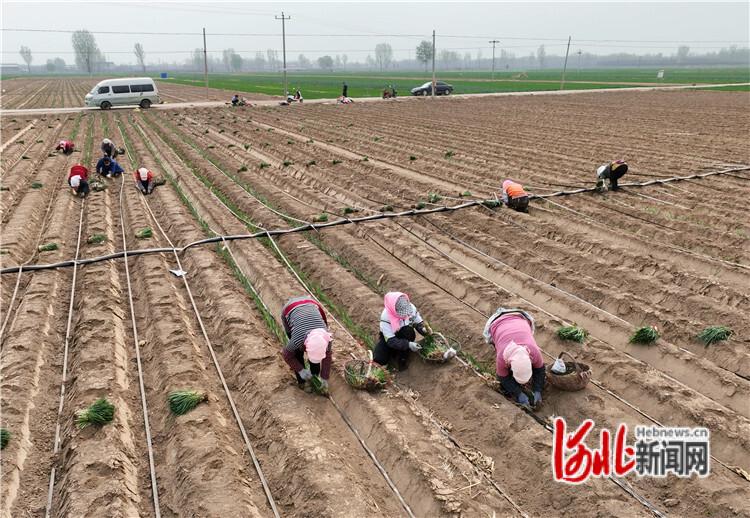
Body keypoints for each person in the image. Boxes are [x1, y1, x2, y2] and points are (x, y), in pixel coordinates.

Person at [483, 308, 546, 408]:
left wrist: (538, 390)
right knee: (497, 346)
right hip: (495, 323)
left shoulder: (534, 351)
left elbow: (540, 370)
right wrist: (518, 394)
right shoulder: (502, 357)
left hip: (520, 317)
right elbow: (503, 378)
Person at [281, 296, 333, 394]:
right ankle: (302, 382)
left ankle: (314, 377)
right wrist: (300, 370)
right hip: (289, 308)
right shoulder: (298, 338)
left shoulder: (327, 338)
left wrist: (325, 377)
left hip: (312, 304)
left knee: (316, 358)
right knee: (297, 353)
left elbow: (327, 356)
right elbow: (286, 354)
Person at [374, 292, 434, 370]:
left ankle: (401, 358)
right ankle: (393, 354)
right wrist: (408, 344)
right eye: (401, 313)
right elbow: (391, 341)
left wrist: (423, 329)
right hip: (389, 339)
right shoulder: (386, 317)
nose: (405, 315)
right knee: (380, 359)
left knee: (408, 331)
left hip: (405, 334)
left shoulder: (411, 308)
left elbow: (418, 323)